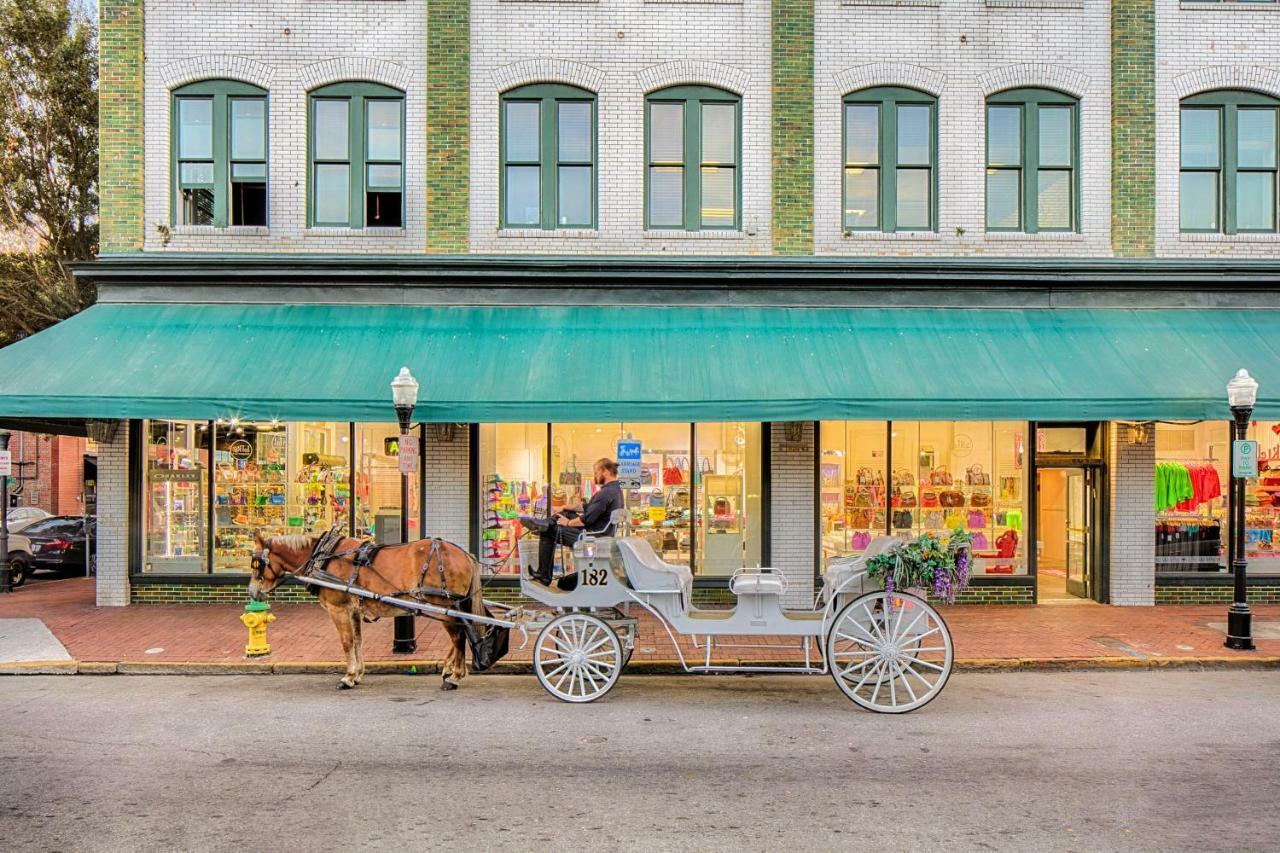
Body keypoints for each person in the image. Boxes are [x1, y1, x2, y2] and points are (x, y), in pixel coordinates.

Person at [532, 458, 623, 587]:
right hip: (597, 534)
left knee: (547, 532)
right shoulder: (615, 490)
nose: (595, 476)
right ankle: (545, 523)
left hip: (591, 537)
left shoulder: (606, 492)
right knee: (566, 513)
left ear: (606, 472)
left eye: (596, 472)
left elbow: (587, 519)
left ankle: (543, 575)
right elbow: (586, 507)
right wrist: (564, 507)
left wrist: (568, 523)